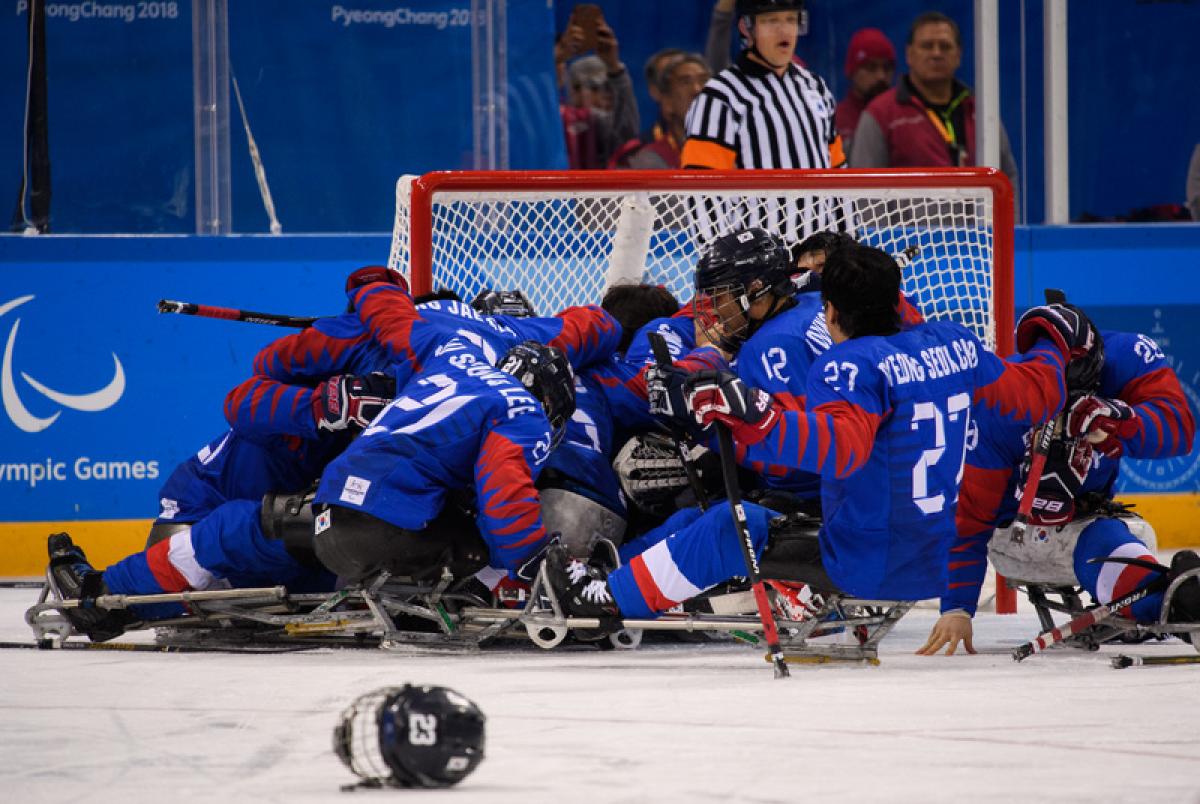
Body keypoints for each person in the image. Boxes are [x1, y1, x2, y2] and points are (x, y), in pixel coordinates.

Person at [547, 243, 1091, 623]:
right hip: (943, 563)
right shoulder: (953, 343)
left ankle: (603, 597)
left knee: (732, 526)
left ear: (830, 311)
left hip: (868, 564)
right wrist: (1052, 338)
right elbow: (1035, 393)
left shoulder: (849, 363)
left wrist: (757, 418)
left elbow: (838, 446)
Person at [46, 337, 577, 641]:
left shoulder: (437, 371)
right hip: (199, 511)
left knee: (266, 527)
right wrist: (320, 407)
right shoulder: (508, 410)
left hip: (318, 521)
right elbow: (246, 404)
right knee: (245, 523)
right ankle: (113, 596)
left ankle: (112, 597)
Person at [919, 325, 1199, 656]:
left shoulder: (1125, 358)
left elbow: (1178, 428)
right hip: (1015, 531)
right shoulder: (1000, 407)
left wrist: (1115, 422)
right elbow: (970, 519)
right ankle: (1157, 604)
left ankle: (1177, 604)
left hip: (1086, 521)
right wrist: (957, 609)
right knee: (1130, 556)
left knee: (1139, 548)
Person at [849, 12, 1019, 199]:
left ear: (959, 55)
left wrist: (1010, 228)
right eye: (927, 46)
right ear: (909, 54)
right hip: (907, 229)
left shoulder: (981, 112)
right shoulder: (880, 114)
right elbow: (864, 192)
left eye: (945, 46)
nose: (936, 53)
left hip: (979, 228)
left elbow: (1006, 176)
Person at [681, 0, 842, 173]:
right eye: (772, 21)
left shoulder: (816, 87)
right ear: (746, 28)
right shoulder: (718, 98)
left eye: (791, 19)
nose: (784, 31)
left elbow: (839, 171)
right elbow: (701, 190)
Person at [556, 15, 639, 170]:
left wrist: (614, 67)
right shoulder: (555, 118)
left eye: (607, 88)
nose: (605, 94)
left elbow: (626, 135)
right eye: (595, 88)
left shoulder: (597, 123)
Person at [609, 53, 712, 170]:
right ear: (667, 103)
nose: (697, 90)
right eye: (685, 82)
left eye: (704, 80)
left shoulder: (733, 153)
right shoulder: (643, 163)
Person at [835, 28, 896, 154]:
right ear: (852, 71)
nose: (881, 76)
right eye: (871, 67)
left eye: (887, 68)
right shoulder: (834, 122)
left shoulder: (902, 119)